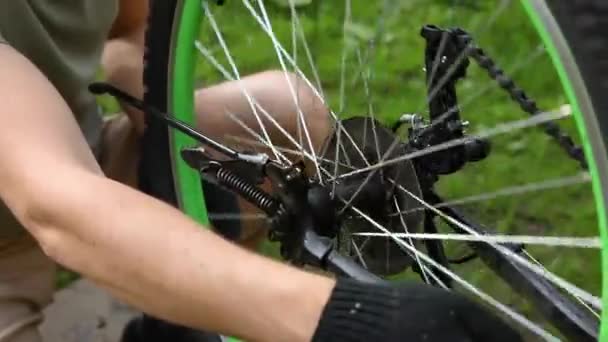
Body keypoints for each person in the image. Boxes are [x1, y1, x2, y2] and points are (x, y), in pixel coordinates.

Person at [0, 1, 522, 341]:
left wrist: (159, 130)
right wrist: (348, 319)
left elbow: (133, 28)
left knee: (283, 113)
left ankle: (178, 314)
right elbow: (57, 204)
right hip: (34, 216)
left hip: (71, 156)